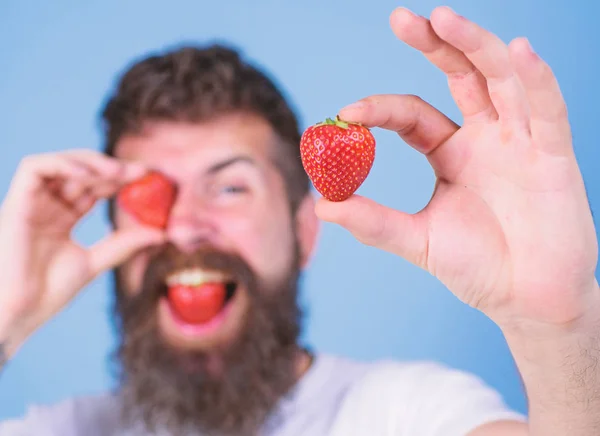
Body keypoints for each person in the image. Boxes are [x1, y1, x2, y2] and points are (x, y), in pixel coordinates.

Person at [0, 5, 597, 436]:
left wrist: (557, 329)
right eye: (153, 192)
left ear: (305, 230)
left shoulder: (409, 412)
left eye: (230, 186)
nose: (184, 228)